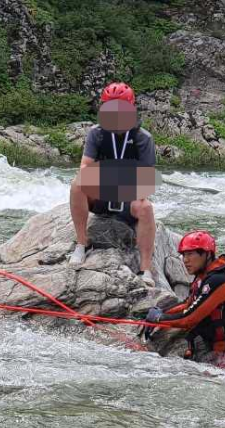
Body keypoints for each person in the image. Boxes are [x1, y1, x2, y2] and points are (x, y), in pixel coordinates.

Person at [69, 81, 158, 287]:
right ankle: (82, 244)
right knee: (77, 184)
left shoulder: (143, 138)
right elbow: (84, 168)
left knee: (145, 207)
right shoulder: (96, 133)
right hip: (102, 195)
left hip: (128, 199)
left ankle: (145, 269)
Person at [143, 230, 225, 375]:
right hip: (218, 356)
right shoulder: (202, 279)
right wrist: (159, 314)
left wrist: (159, 318)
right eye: (183, 255)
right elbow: (187, 305)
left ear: (207, 255)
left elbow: (188, 319)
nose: (185, 260)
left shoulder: (221, 280)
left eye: (190, 254)